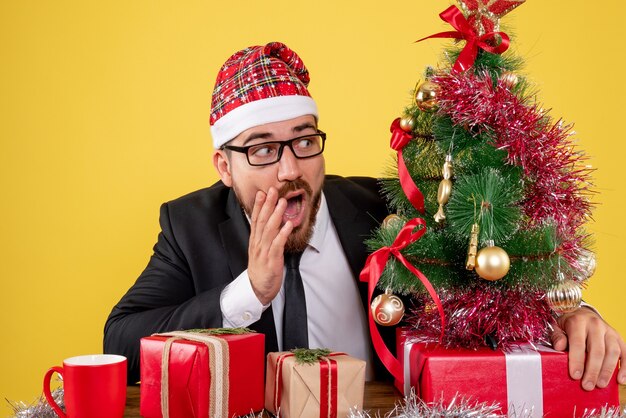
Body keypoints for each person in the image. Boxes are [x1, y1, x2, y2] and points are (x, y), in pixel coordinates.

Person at [104, 42, 626, 390]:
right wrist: (248, 294)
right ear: (225, 166)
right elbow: (121, 344)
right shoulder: (188, 225)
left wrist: (572, 315)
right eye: (262, 149)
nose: (290, 169)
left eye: (304, 141)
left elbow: (491, 289)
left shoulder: (387, 208)